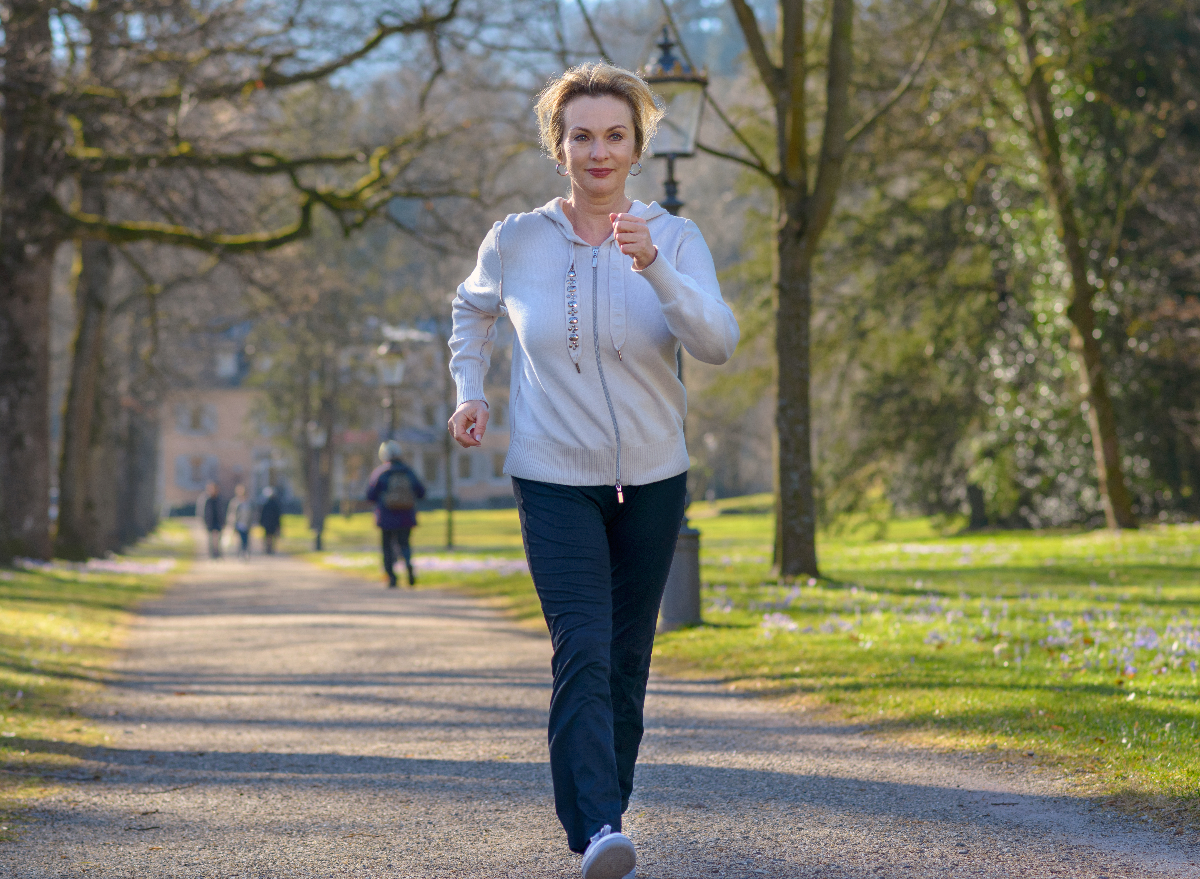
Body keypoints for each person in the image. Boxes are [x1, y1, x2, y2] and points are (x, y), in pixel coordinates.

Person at [447, 63, 739, 879]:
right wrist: (470, 391)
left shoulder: (674, 238)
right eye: (582, 135)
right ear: (559, 145)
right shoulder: (516, 239)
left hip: (653, 477)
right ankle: (601, 827)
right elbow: (470, 310)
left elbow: (717, 342)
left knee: (628, 658)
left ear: (637, 146)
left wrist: (657, 268)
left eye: (615, 135)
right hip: (552, 476)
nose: (598, 151)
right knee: (582, 646)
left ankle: (602, 805)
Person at [366, 440, 426, 588]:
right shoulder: (409, 471)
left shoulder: (381, 472)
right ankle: (409, 568)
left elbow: (370, 495)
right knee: (405, 544)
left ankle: (392, 577)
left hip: (386, 517)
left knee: (387, 547)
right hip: (406, 516)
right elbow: (421, 492)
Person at [226, 484, 253, 560]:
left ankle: (245, 553)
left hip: (246, 524)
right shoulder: (235, 502)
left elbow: (251, 514)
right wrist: (231, 524)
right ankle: (240, 553)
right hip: (238, 524)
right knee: (240, 540)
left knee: (246, 540)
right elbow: (231, 513)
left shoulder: (249, 502)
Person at [201, 482, 224, 559]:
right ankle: (211, 554)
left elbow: (222, 511)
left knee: (218, 539)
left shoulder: (219, 499)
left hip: (218, 522)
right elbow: (202, 512)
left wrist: (223, 521)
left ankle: (218, 553)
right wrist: (204, 522)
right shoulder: (206, 499)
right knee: (210, 539)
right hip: (210, 522)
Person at [259, 487, 282, 555]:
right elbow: (278, 515)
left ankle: (268, 548)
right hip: (273, 523)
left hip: (267, 523)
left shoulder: (265, 504)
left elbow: (262, 514)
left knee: (268, 536)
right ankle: (271, 548)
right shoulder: (276, 504)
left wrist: (261, 522)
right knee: (272, 536)